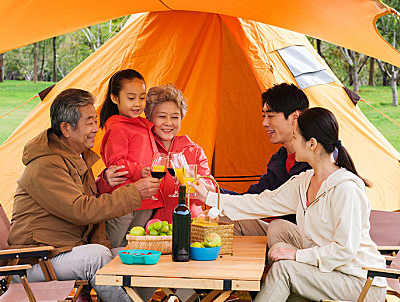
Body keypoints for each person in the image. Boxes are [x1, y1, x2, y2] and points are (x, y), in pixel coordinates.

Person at [192, 107, 387, 302]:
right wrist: (212, 198)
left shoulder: (346, 189)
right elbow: (261, 202)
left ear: (312, 143)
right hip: (331, 270)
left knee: (285, 267)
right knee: (279, 230)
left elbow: (344, 250)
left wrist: (296, 256)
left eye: (295, 136)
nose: (291, 141)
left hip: (360, 281)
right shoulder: (305, 181)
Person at [7, 88, 161, 302]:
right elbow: (81, 210)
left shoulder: (73, 158)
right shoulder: (46, 166)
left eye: (96, 121)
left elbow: (90, 205)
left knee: (133, 255)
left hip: (60, 250)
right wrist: (133, 193)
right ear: (66, 129)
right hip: (35, 260)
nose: (95, 129)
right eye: (90, 122)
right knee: (97, 257)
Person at [217, 83, 310, 238]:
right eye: (263, 116)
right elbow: (253, 198)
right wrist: (214, 192)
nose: (264, 123)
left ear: (295, 117)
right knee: (224, 218)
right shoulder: (279, 159)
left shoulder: (316, 159)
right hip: (276, 230)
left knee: (277, 227)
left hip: (306, 238)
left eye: (271, 116)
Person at [96, 69, 163, 248]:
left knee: (135, 245)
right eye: (131, 98)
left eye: (142, 97)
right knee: (116, 244)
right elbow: (116, 163)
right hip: (124, 200)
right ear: (114, 98)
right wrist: (139, 170)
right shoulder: (117, 128)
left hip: (145, 198)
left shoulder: (141, 125)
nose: (138, 104)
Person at [144, 83, 211, 222]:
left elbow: (211, 194)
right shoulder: (142, 147)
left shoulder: (195, 151)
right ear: (149, 118)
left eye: (175, 117)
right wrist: (106, 180)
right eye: (162, 116)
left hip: (191, 226)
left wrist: (195, 181)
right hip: (152, 230)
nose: (168, 123)